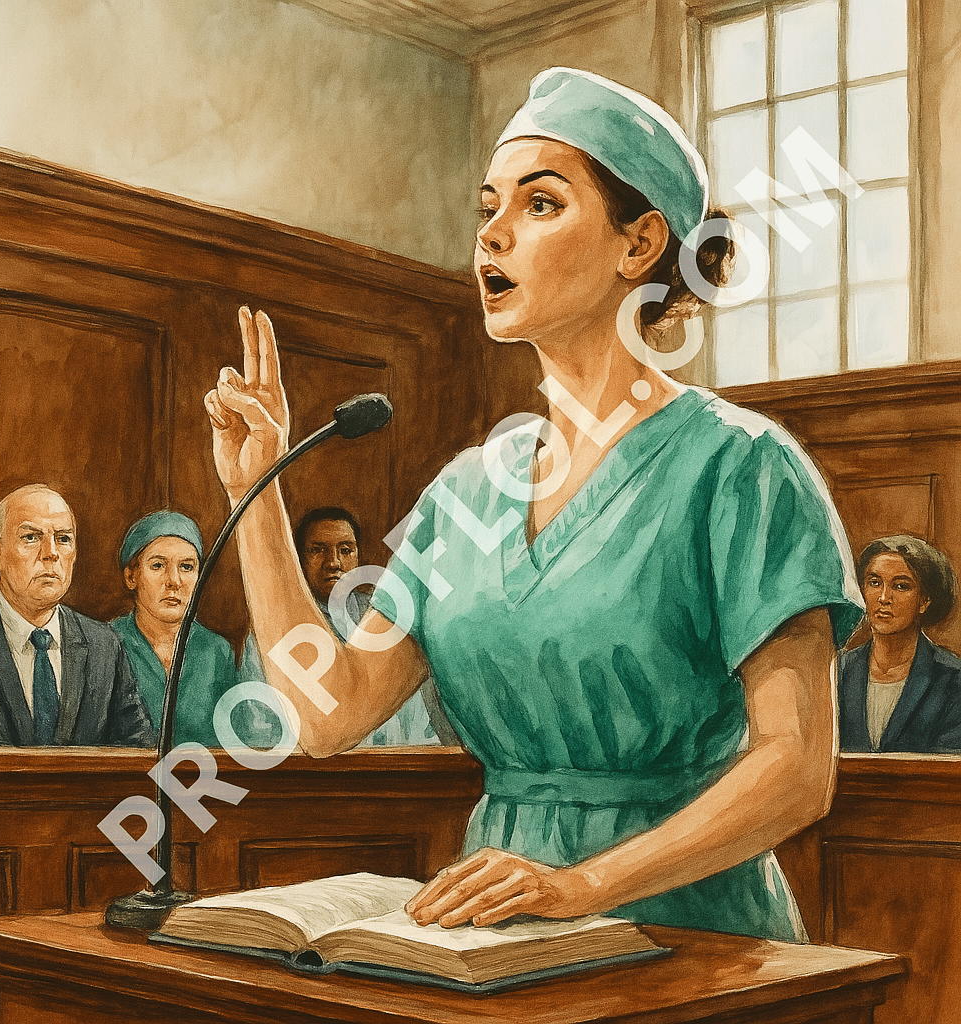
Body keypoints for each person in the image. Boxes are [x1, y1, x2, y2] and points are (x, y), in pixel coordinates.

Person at [204, 68, 862, 940]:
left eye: (540, 205)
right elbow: (328, 715)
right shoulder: (468, 491)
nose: (493, 238)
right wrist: (256, 490)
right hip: (496, 929)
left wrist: (581, 887)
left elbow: (798, 768)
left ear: (639, 246)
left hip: (692, 931)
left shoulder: (743, 467)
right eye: (487, 211)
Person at [0, 484, 154, 746]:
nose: (51, 553)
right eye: (31, 537)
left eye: (63, 539)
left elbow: (140, 754)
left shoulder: (104, 645)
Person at [240, 506, 451, 745]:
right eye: (317, 550)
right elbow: (259, 727)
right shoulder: (270, 631)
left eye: (345, 550)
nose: (333, 562)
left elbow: (417, 715)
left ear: (358, 555)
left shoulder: (384, 617)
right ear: (299, 559)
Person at [111, 510, 248, 748]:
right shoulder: (107, 643)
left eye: (186, 567)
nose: (173, 580)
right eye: (158, 565)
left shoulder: (216, 651)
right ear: (131, 576)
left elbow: (235, 742)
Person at [839, 535, 961, 753]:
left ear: (925, 600)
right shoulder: (838, 672)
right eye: (875, 583)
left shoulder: (952, 679)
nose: (884, 598)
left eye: (901, 586)